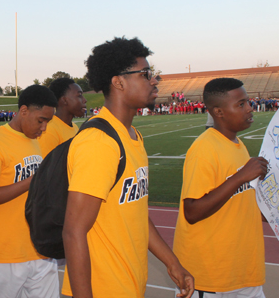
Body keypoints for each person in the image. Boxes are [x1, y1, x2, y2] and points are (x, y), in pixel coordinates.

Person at [61, 37, 194, 298]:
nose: (154, 80)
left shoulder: (132, 135)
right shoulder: (99, 142)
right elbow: (73, 231)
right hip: (102, 289)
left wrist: (172, 263)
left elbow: (136, 214)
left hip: (129, 284)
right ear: (118, 81)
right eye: (145, 74)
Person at [172, 78, 279, 298]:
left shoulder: (238, 146)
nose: (249, 108)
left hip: (243, 271)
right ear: (219, 112)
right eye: (241, 104)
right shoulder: (204, 149)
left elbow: (242, 202)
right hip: (210, 276)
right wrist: (240, 176)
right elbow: (192, 211)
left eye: (248, 102)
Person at [0, 85, 59, 298]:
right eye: (41, 120)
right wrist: (31, 182)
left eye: (48, 122)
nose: (44, 128)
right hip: (4, 254)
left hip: (38, 249)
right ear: (23, 111)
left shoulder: (34, 142)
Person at [37, 77, 87, 157]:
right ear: (64, 100)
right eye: (79, 95)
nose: (84, 100)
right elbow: (46, 167)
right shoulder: (49, 130)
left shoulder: (74, 127)